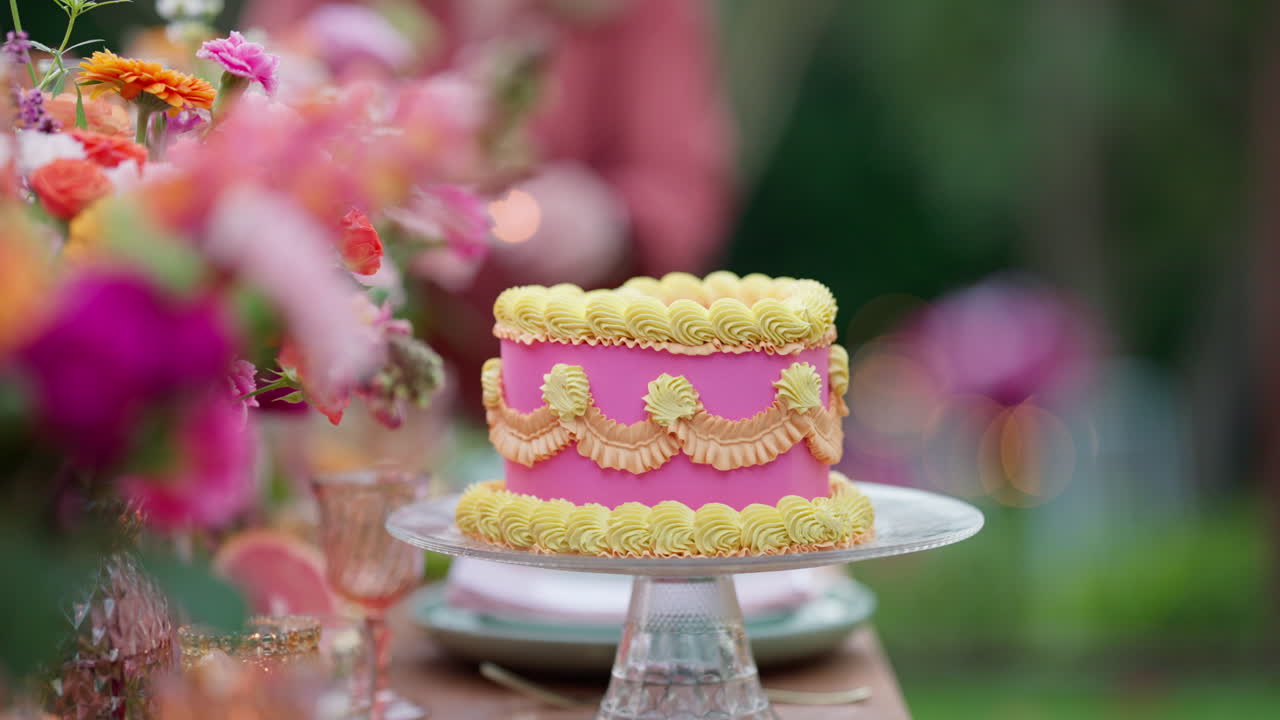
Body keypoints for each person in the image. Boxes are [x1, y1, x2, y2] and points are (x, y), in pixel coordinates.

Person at [248, 0, 735, 412]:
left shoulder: (647, 13)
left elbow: (682, 185)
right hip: (325, 390)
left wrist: (610, 215)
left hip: (559, 401)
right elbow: (263, 116)